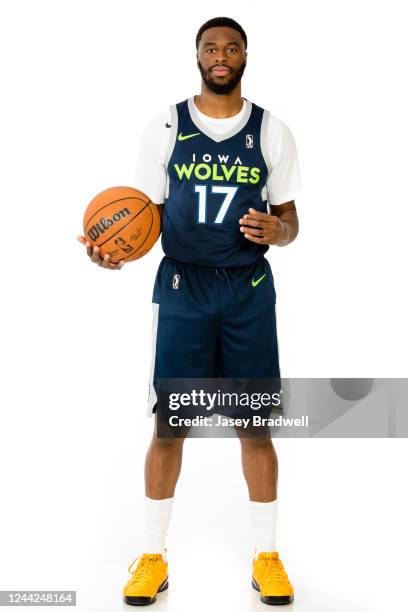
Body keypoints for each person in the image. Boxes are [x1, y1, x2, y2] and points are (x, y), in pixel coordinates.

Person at [78, 16, 301, 606]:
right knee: (169, 426)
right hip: (182, 289)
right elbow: (141, 221)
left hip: (248, 289)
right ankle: (152, 557)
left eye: (231, 47)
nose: (220, 56)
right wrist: (114, 255)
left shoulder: (271, 131)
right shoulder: (166, 126)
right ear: (197, 56)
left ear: (246, 56)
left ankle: (267, 556)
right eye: (211, 47)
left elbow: (291, 219)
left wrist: (279, 229)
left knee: (255, 427)